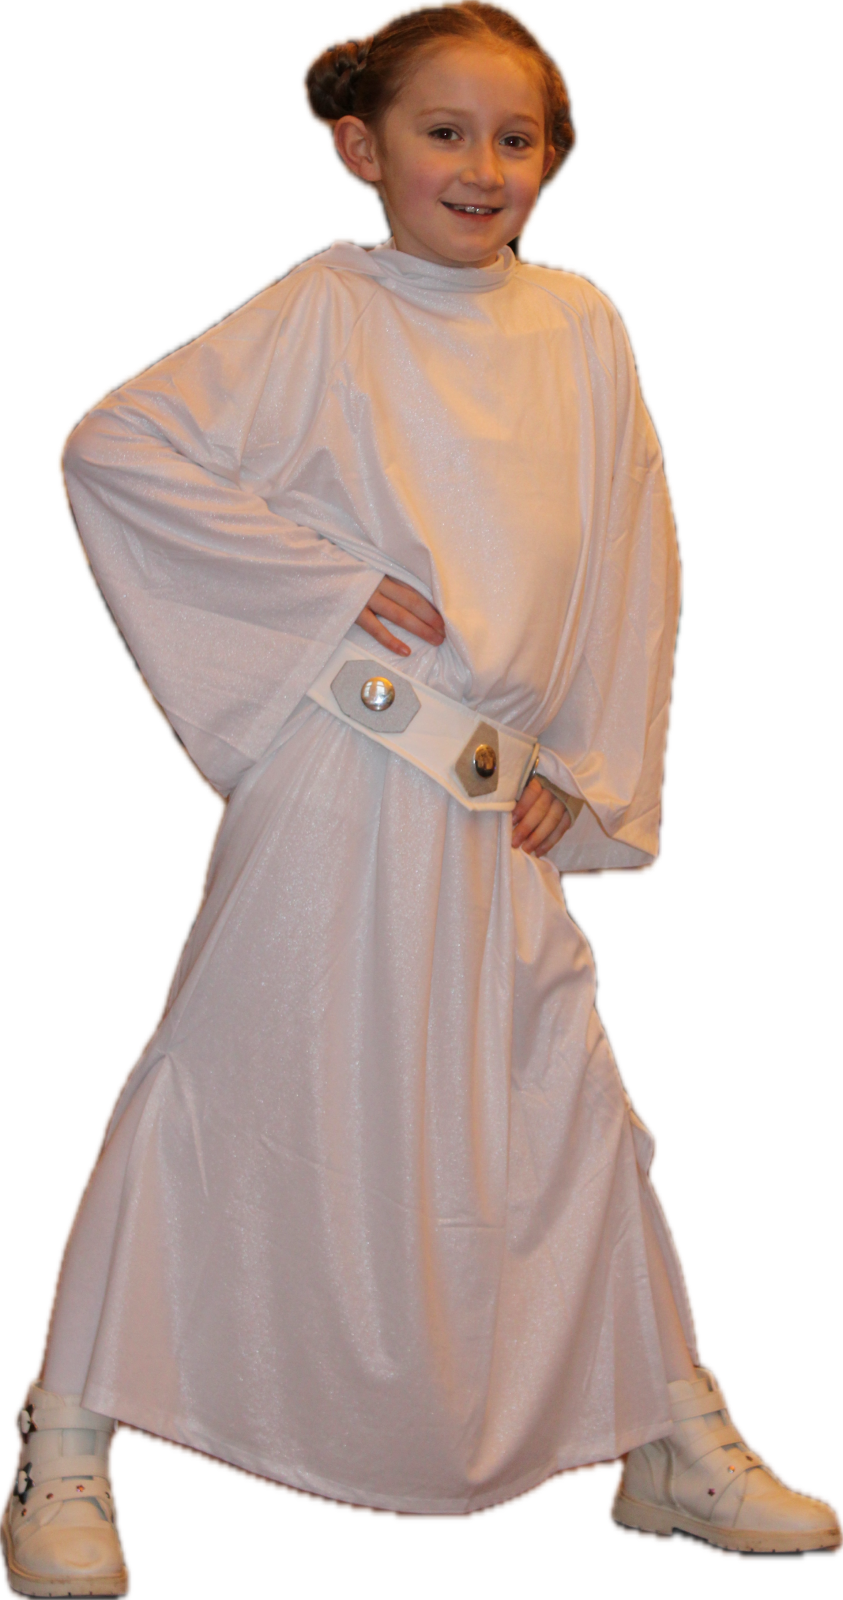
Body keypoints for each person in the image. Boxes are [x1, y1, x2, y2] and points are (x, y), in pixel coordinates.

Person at [4, 1, 839, 1587]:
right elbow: (121, 448)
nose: (479, 165)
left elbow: (628, 555)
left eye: (513, 139)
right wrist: (319, 585)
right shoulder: (323, 314)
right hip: (344, 778)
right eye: (442, 132)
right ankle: (68, 1441)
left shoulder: (577, 323)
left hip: (492, 801)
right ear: (360, 146)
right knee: (229, 1085)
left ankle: (665, 1435)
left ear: (550, 162)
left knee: (559, 1109)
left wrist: (588, 771)